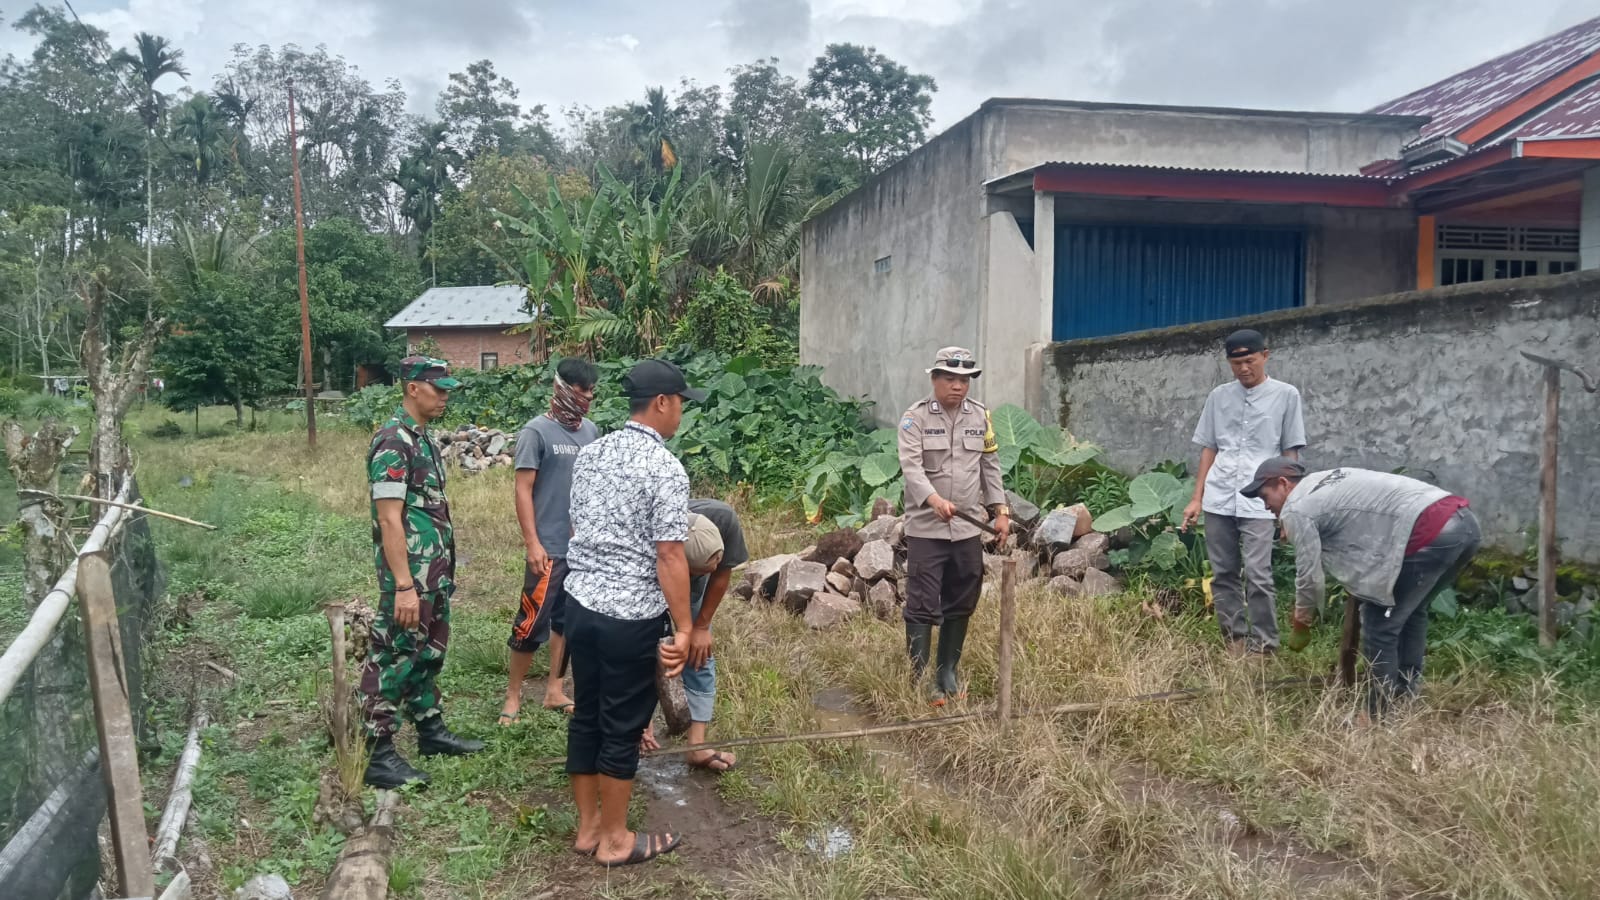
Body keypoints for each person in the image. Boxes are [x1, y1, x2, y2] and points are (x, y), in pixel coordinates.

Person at [563, 358, 703, 867]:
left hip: (580, 606)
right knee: (622, 725)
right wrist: (684, 627)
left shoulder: (590, 453)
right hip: (629, 618)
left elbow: (577, 528)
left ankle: (589, 829)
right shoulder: (665, 468)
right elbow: (670, 555)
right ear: (662, 403)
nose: (682, 412)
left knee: (587, 714)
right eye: (681, 402)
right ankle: (617, 840)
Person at [1242, 458, 1480, 718]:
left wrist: (1301, 620)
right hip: (1464, 523)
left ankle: (1377, 716)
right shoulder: (1324, 480)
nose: (1265, 506)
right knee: (1412, 612)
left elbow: (1309, 576)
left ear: (1283, 483)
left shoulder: (1297, 508)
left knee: (1380, 623)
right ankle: (1404, 699)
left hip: (1433, 531)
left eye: (1265, 496)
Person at [359, 356, 484, 789]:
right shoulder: (393, 442)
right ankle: (376, 752)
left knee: (428, 653)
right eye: (438, 389)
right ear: (412, 388)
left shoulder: (422, 438)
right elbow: (389, 519)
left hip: (433, 573)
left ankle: (431, 730)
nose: (445, 397)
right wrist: (404, 587)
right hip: (410, 576)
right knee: (394, 656)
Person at [1181, 329, 1307, 656]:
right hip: (1219, 496)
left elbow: (1290, 454)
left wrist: (1290, 508)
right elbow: (1209, 449)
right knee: (1223, 572)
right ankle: (1234, 640)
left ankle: (1265, 645)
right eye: (1236, 363)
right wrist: (1197, 498)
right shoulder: (1218, 396)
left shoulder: (1286, 395)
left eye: (1250, 361)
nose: (1243, 368)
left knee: (1258, 573)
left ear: (1265, 355)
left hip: (1262, 500)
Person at [897, 346, 1009, 706]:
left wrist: (1000, 510)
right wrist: (934, 500)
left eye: (965, 380)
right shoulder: (914, 418)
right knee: (922, 600)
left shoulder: (980, 417)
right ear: (934, 379)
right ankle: (919, 678)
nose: (958, 386)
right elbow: (911, 468)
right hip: (926, 528)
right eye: (950, 378)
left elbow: (990, 466)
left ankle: (947, 672)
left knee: (962, 597)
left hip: (966, 529)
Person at [501, 357, 601, 725]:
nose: (588, 397)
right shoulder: (536, 432)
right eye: (581, 390)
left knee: (567, 622)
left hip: (582, 550)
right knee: (531, 622)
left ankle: (554, 690)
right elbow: (523, 489)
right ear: (562, 388)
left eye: (592, 391)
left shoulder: (591, 432)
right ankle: (513, 695)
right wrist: (533, 543)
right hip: (548, 548)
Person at [678, 502, 749, 771]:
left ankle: (696, 747)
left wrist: (699, 627)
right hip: (653, 581)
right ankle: (638, 733)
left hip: (685, 577)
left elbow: (722, 574)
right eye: (700, 572)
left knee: (700, 654)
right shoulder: (652, 536)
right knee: (647, 653)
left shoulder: (724, 520)